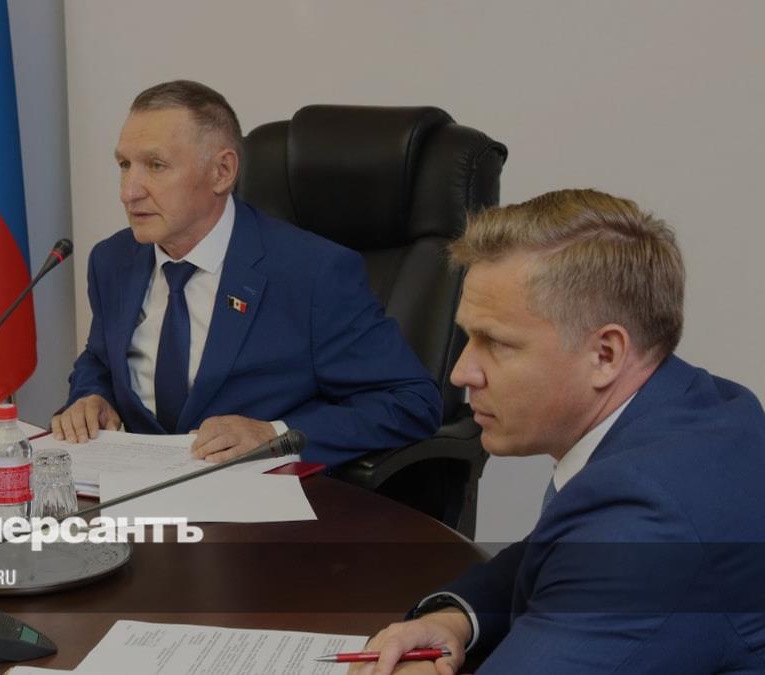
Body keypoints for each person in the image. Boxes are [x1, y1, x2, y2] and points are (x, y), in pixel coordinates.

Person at [355, 189, 765, 674]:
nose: (462, 373)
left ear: (605, 355)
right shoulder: (700, 403)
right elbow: (556, 548)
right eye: (468, 338)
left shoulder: (645, 522)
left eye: (496, 343)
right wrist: (453, 618)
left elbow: (603, 552)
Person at [51, 80, 441, 467]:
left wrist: (275, 434)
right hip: (132, 489)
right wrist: (92, 396)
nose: (128, 191)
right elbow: (101, 360)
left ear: (222, 172)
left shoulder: (313, 273)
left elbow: (411, 402)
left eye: (156, 165)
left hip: (257, 493)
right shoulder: (112, 260)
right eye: (124, 165)